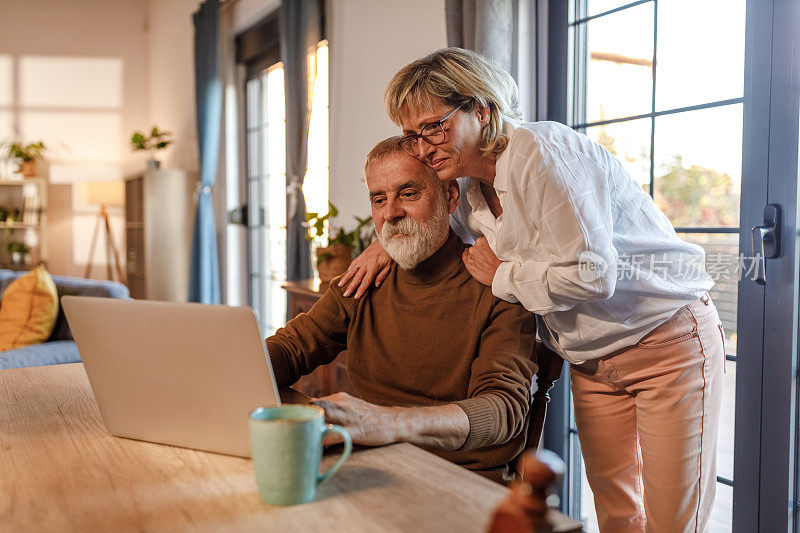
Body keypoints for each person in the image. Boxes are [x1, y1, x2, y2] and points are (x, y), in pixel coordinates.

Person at [339, 48, 724, 533]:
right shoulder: (470, 192)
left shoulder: (540, 151)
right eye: (412, 135)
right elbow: (417, 217)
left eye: (433, 127)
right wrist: (382, 243)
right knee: (618, 514)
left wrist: (502, 276)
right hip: (592, 361)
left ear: (482, 110)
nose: (422, 147)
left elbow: (593, 275)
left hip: (664, 343)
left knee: (674, 523)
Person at [267, 136, 538, 482]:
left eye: (408, 194)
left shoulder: (498, 286)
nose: (391, 213)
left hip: (459, 480)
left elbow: (503, 411)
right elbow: (291, 348)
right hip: (368, 466)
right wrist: (235, 367)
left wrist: (389, 423)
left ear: (450, 196)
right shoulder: (362, 280)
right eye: (379, 199)